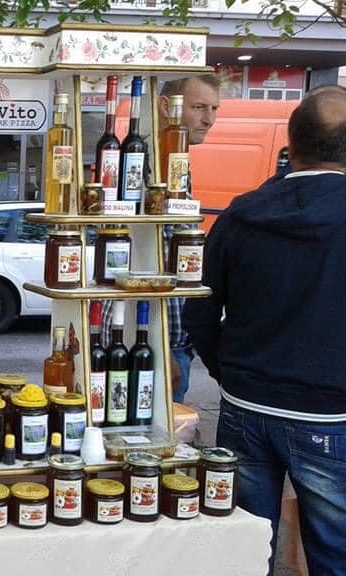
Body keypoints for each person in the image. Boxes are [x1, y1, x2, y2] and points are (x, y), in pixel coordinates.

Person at [184, 86, 346, 576]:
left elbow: (199, 311)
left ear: (290, 147)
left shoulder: (239, 213)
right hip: (327, 414)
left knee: (245, 552)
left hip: (247, 405)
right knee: (334, 557)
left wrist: (230, 371)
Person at [158, 74, 221, 404]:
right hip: (158, 344)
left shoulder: (177, 164)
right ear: (168, 106)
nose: (209, 119)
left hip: (176, 342)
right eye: (199, 107)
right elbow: (137, 262)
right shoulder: (151, 164)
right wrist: (160, 347)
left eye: (214, 108)